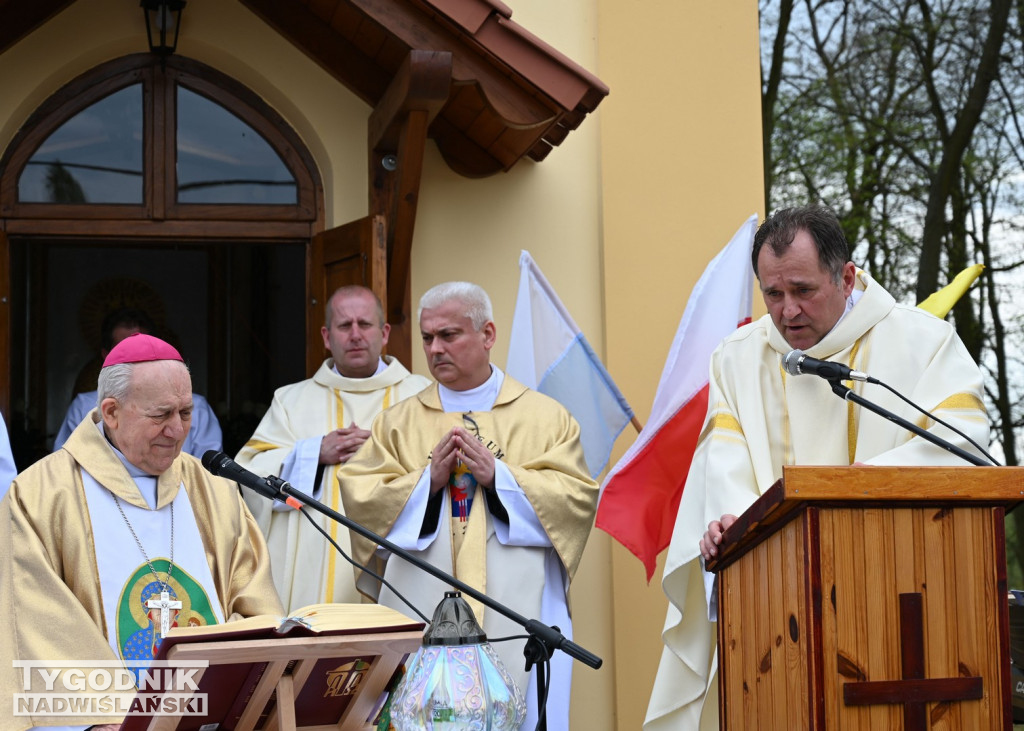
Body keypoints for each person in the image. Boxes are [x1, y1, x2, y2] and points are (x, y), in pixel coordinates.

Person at [644, 205, 990, 730]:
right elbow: (726, 467)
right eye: (773, 294)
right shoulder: (739, 358)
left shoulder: (922, 343)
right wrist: (727, 528)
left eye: (804, 291)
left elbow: (962, 449)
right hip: (776, 618)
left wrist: (839, 494)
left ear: (846, 276)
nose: (787, 312)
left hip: (901, 596)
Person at [340, 281, 599, 730]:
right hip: (422, 608)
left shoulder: (544, 418)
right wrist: (428, 482)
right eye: (427, 337)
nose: (435, 348)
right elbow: (362, 499)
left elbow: (576, 499)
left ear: (488, 334)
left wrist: (500, 477)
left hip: (517, 611)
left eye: (449, 335)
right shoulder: (398, 423)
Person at [0, 333, 282, 730]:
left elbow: (254, 603)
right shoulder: (40, 495)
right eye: (160, 415)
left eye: (185, 413)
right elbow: (37, 619)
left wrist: (226, 695)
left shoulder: (213, 490)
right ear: (111, 412)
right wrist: (103, 715)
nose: (177, 430)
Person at [234, 285, 430, 611]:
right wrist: (313, 453)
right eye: (344, 325)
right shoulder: (291, 400)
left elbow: (444, 470)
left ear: (384, 334)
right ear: (326, 337)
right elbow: (249, 472)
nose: (355, 335)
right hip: (311, 575)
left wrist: (386, 450)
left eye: (364, 325)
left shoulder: (422, 396)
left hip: (399, 566)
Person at [54, 308, 223, 457]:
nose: (137, 358)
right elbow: (66, 471)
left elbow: (208, 479)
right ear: (106, 356)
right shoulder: (84, 408)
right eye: (125, 350)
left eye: (144, 349)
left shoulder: (196, 408)